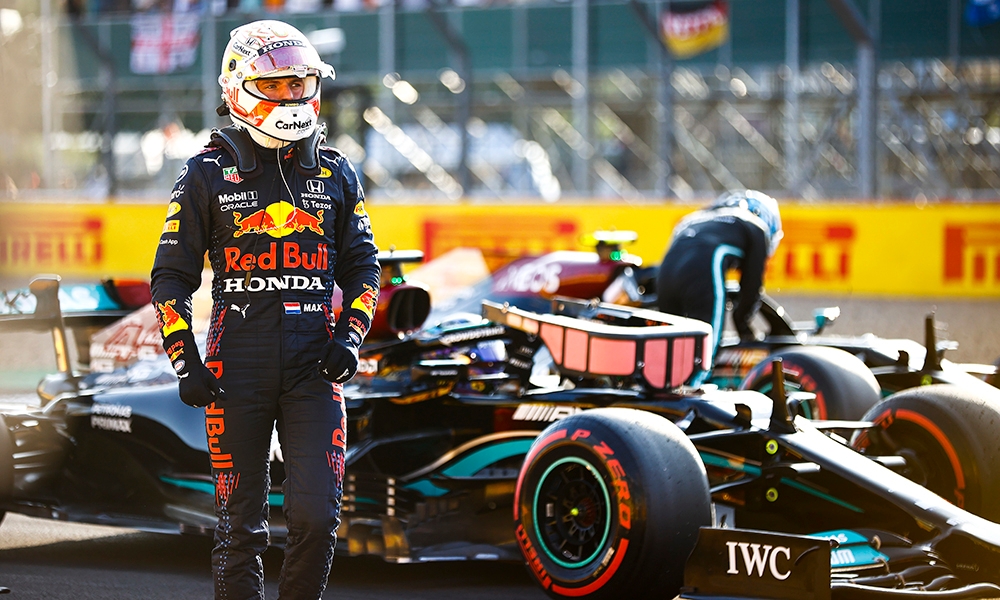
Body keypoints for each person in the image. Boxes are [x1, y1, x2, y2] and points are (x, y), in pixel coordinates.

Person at [150, 19, 380, 600]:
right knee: (239, 530)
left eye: (298, 83)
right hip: (236, 366)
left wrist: (349, 338)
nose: (290, 95)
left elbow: (365, 269)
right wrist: (185, 361)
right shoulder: (204, 172)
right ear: (238, 88)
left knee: (318, 520)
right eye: (273, 85)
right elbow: (171, 278)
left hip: (314, 369)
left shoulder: (336, 171)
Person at [655, 190, 782, 375]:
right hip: (704, 269)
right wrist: (743, 326)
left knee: (671, 349)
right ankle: (696, 383)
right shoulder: (755, 226)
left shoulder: (692, 219)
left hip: (665, 276)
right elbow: (752, 287)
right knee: (705, 350)